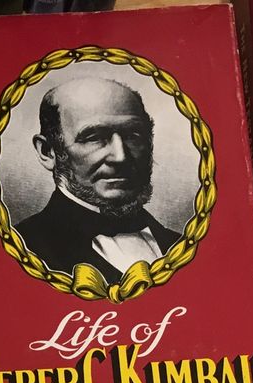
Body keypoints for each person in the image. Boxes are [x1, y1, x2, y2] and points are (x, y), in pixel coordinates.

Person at [14, 77, 182, 284]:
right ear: (47, 152)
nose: (120, 157)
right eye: (93, 137)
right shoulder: (20, 249)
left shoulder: (180, 244)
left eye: (133, 135)